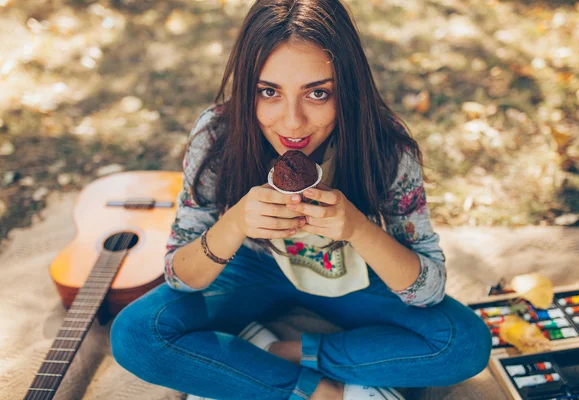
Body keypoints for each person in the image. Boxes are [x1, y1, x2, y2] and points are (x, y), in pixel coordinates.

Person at [110, 0, 492, 399]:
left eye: (318, 93)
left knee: (463, 345)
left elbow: (429, 289)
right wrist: (236, 223)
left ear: (347, 88)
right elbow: (178, 274)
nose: (292, 122)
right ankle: (313, 391)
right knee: (136, 335)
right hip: (252, 267)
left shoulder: (387, 147)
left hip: (352, 273)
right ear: (246, 90)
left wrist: (358, 229)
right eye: (269, 91)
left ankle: (274, 354)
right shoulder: (218, 136)